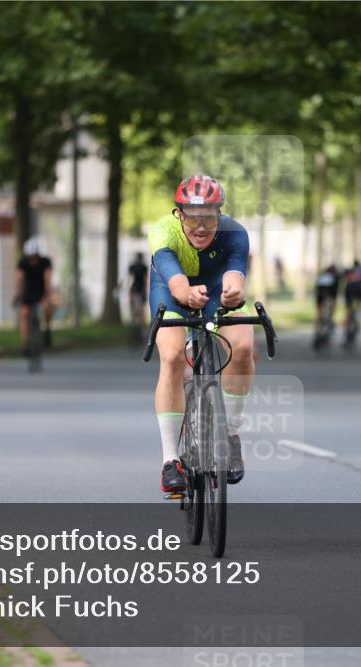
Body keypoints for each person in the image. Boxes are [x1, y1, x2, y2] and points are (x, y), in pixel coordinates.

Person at [149, 175, 253, 493]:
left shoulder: (235, 233)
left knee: (245, 347)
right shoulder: (163, 231)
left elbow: (235, 275)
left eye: (209, 216)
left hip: (218, 293)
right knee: (171, 356)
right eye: (193, 217)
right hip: (171, 291)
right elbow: (177, 282)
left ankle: (231, 435)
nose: (201, 226)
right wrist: (186, 294)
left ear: (220, 214)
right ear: (179, 214)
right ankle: (171, 461)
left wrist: (234, 293)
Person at [13, 238, 54, 353]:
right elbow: (19, 279)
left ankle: (47, 330)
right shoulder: (23, 262)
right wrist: (17, 294)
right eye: (30, 257)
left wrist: (48, 294)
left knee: (47, 309)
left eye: (35, 256)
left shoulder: (45, 262)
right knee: (24, 315)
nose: (33, 260)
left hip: (42, 291)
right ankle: (25, 344)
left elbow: (47, 279)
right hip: (28, 292)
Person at [342, 260, 361, 343]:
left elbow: (344, 279)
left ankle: (346, 328)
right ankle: (357, 322)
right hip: (358, 290)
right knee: (359, 307)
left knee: (348, 311)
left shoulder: (349, 271)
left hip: (348, 291)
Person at [126, 252, 149, 328]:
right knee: (141, 309)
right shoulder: (143, 267)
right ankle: (141, 327)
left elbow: (129, 279)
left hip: (134, 289)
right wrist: (145, 291)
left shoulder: (133, 266)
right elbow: (145, 280)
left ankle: (135, 325)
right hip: (140, 289)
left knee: (134, 309)